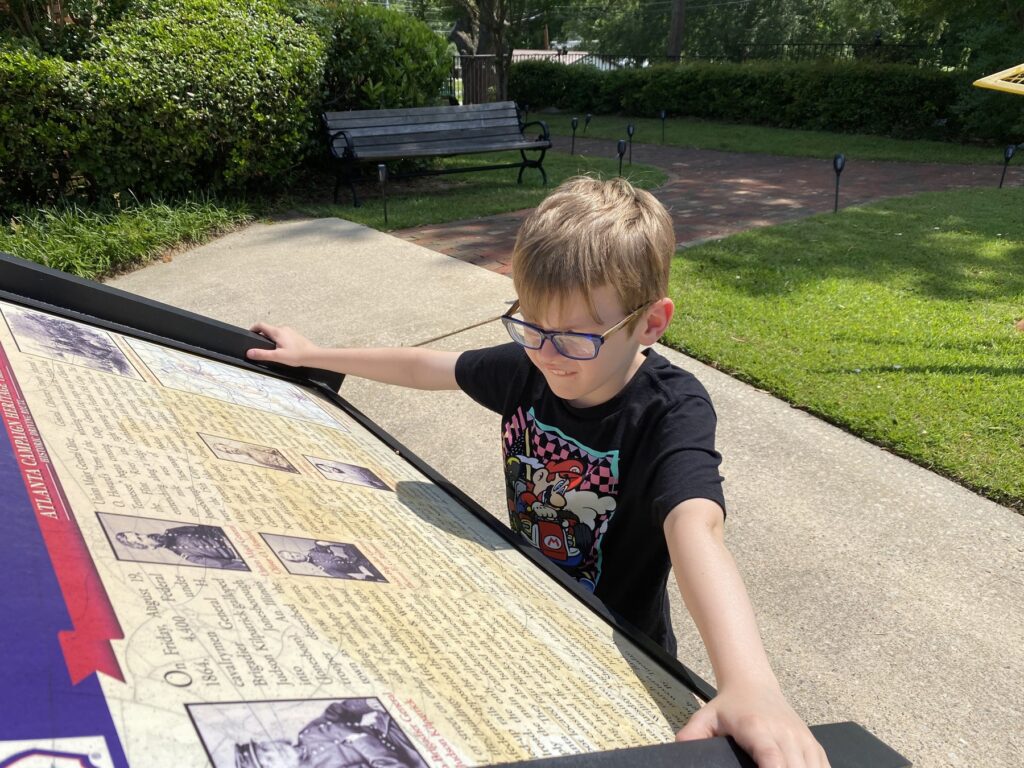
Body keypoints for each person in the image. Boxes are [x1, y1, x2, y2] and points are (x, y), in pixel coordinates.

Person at [247, 177, 828, 768]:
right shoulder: (534, 367)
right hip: (527, 618)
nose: (548, 354)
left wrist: (750, 684)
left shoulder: (670, 410)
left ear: (651, 323)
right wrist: (312, 354)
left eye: (576, 336)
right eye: (531, 327)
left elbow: (694, 528)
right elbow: (428, 365)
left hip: (620, 648)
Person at [116, 525, 248, 570]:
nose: (145, 535)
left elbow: (204, 527)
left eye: (138, 534)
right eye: (140, 539)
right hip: (243, 551)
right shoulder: (186, 555)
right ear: (150, 548)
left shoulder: (172, 531)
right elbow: (223, 564)